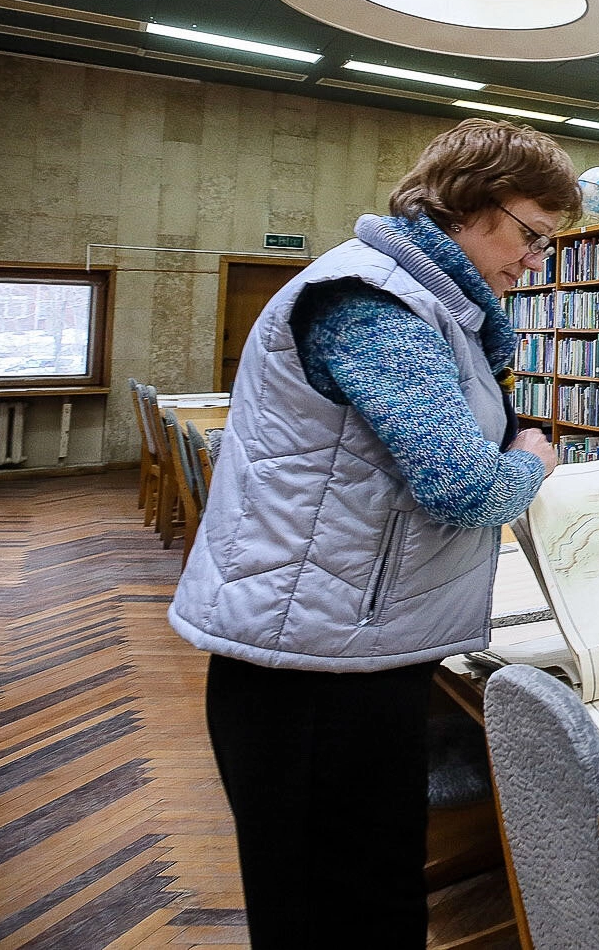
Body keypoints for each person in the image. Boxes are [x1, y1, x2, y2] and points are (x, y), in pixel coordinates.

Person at [169, 119, 577, 949]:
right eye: (532, 235)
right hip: (313, 669)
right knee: (338, 912)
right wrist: (532, 461)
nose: (536, 261)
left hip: (347, 643)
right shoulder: (375, 301)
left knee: (370, 898)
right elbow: (464, 483)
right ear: (468, 203)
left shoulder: (423, 303)